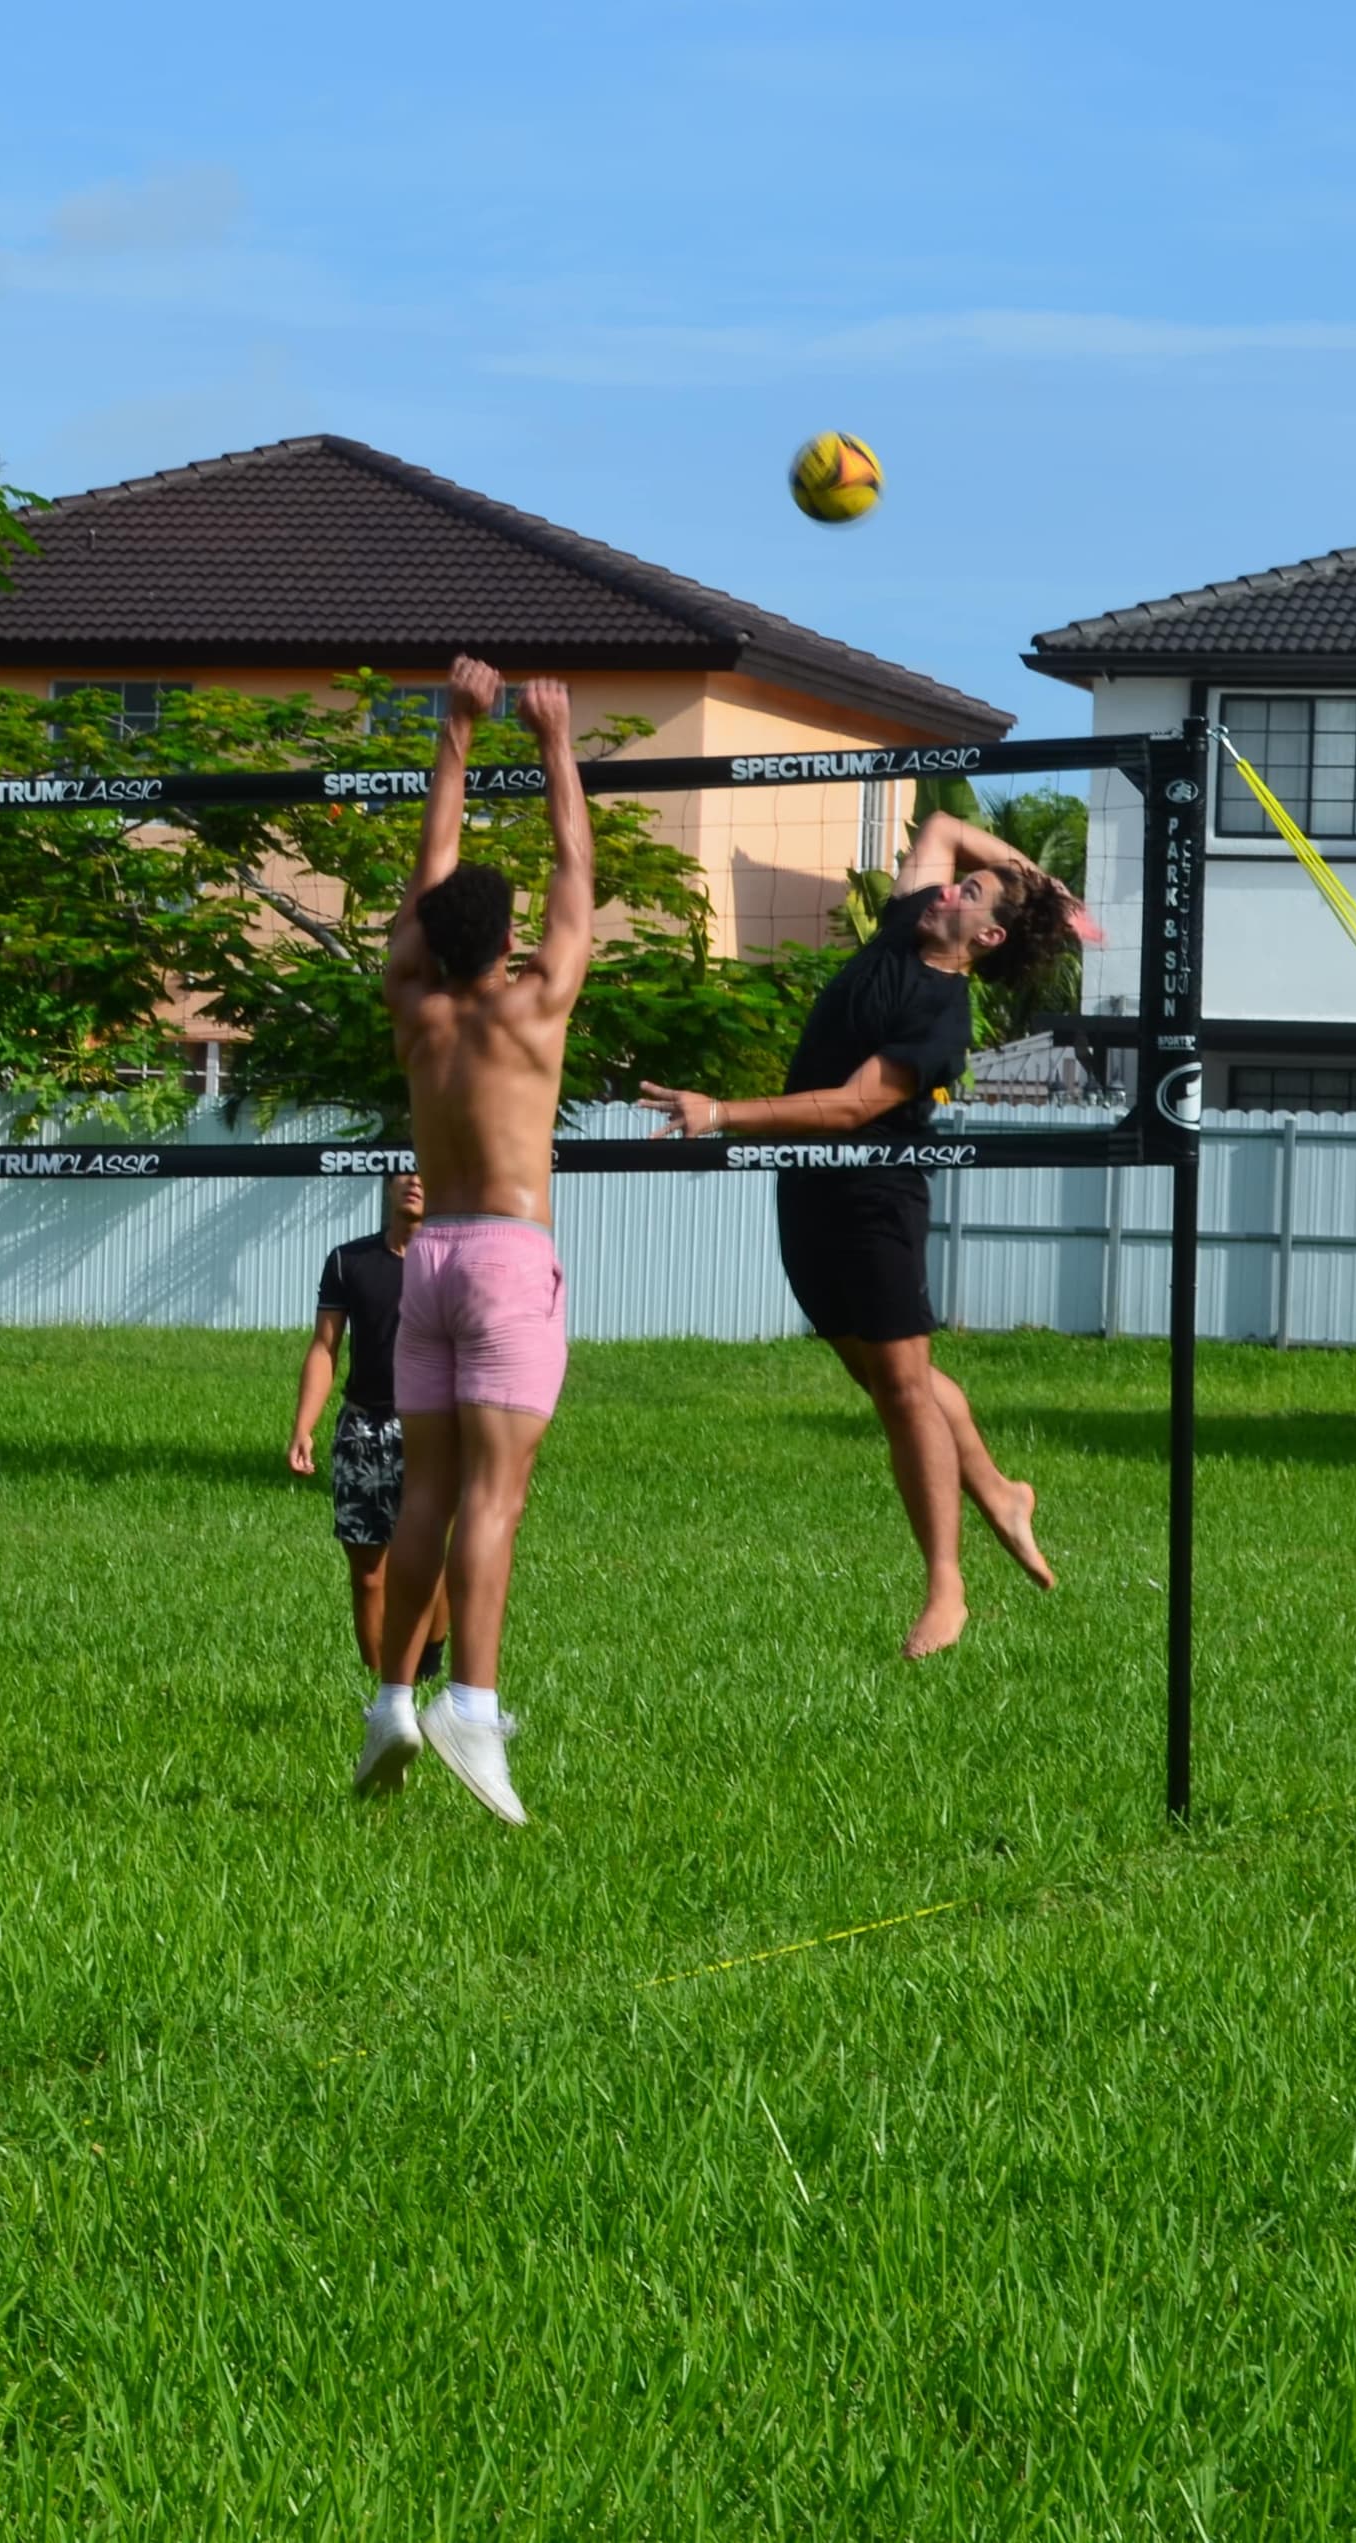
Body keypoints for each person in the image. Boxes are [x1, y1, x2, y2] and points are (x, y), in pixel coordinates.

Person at [640, 809, 1088, 1656]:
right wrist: (1038, 881)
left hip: (874, 1197)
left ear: (985, 935)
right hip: (808, 1190)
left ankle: (946, 1589)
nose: (950, 884)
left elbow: (851, 1106)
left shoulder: (943, 1018)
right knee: (889, 1379)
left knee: (905, 1387)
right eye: (960, 880)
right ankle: (998, 1489)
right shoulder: (898, 931)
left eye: (973, 893)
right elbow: (949, 824)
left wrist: (720, 1112)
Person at [357, 657, 595, 1827]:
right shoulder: (534, 999)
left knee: (428, 1494)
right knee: (495, 1499)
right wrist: (554, 742)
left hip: (429, 1259)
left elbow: (426, 880)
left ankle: (392, 1697)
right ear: (505, 939)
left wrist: (456, 732)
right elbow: (574, 867)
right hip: (504, 1258)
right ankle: (472, 1702)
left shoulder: (415, 999)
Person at [288, 1172, 450, 1686]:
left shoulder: (455, 1264)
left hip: (432, 1429)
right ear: (386, 1185)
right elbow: (324, 1347)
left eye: (426, 1173)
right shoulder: (348, 1261)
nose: (415, 1183)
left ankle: (429, 1663)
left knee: (427, 1564)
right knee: (368, 1574)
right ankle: (381, 1695)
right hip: (362, 1429)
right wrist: (303, 1427)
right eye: (404, 1173)